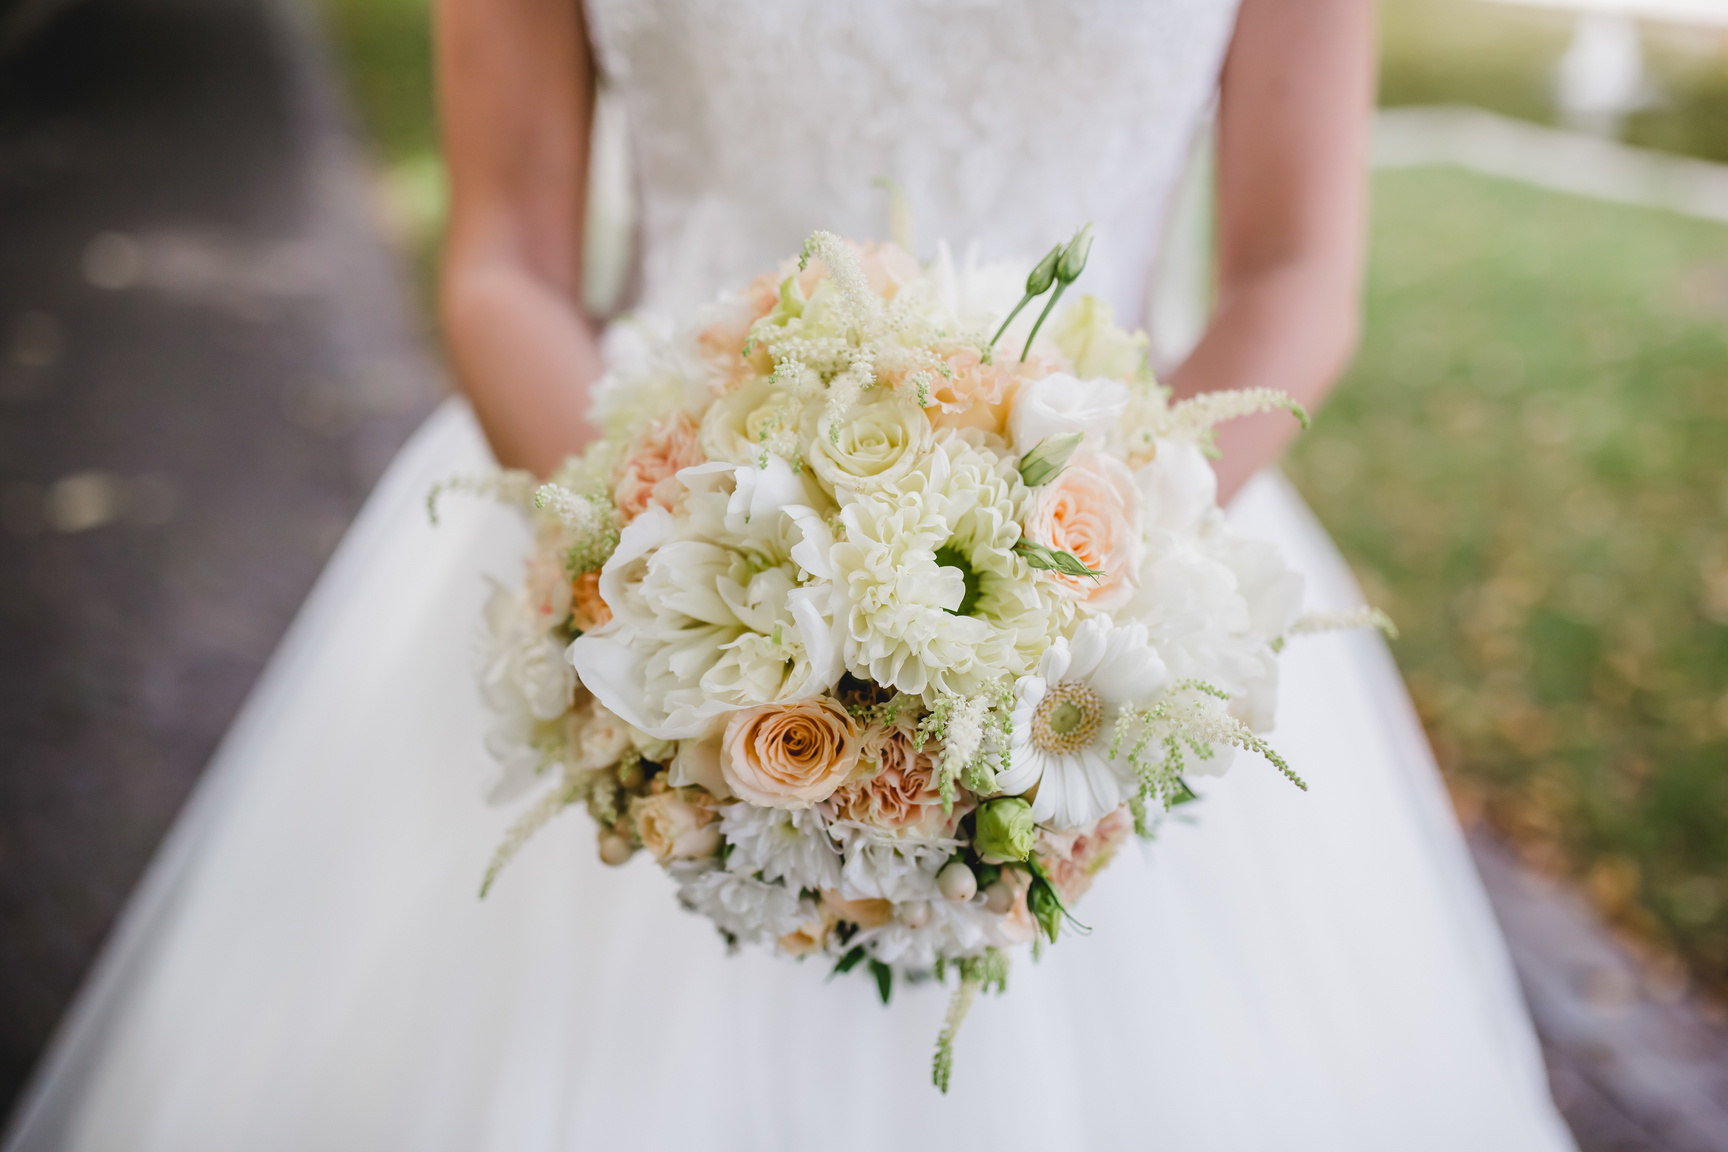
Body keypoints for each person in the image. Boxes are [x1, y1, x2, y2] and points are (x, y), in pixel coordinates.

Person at [4, 2, 1579, 1149]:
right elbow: (501, 259)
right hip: (634, 539)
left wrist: (1086, 585)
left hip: (1119, 570)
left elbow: (1299, 273)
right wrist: (647, 560)